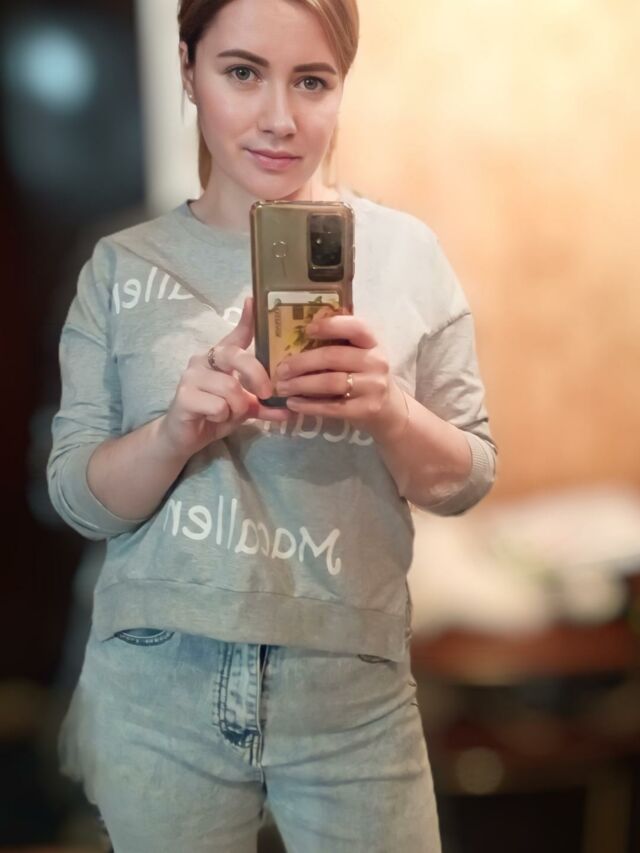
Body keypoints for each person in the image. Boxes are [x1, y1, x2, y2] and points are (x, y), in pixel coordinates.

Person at [47, 0, 497, 850]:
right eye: (243, 72)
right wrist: (175, 432)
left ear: (342, 87)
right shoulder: (121, 267)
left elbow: (466, 476)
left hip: (351, 688)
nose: (280, 118)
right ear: (189, 69)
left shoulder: (408, 256)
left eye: (312, 81)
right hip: (157, 681)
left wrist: (390, 410)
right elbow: (78, 496)